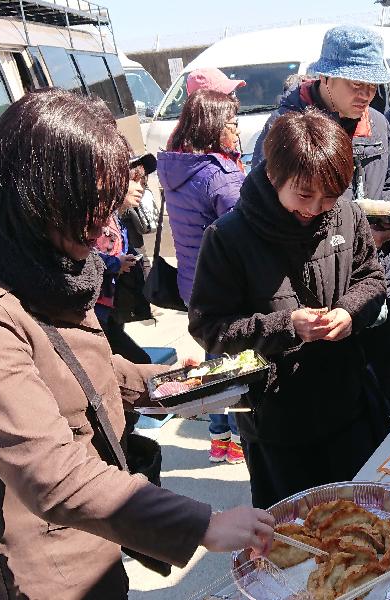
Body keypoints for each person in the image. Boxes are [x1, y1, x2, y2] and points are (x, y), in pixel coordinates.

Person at [0, 89, 273, 599]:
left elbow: (67, 365)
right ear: (36, 196)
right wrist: (203, 524)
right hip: (21, 567)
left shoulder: (39, 260)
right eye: (89, 211)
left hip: (90, 534)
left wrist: (168, 384)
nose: (103, 230)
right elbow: (51, 472)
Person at [189, 110, 388, 508]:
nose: (316, 207)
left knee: (364, 523)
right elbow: (209, 327)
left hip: (347, 408)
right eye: (304, 194)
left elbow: (373, 278)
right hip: (277, 425)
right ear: (274, 176)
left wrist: (349, 312)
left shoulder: (346, 214)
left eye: (329, 196)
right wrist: (286, 327)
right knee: (297, 540)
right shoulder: (228, 238)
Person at [254, 25, 390, 409]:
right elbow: (265, 209)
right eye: (357, 83)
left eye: (373, 86)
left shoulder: (380, 123)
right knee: (331, 402)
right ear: (326, 76)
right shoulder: (286, 128)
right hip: (317, 296)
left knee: (382, 389)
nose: (366, 95)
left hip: (376, 279)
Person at [157, 88, 246, 463]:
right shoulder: (219, 175)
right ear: (212, 127)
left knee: (213, 356)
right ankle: (239, 439)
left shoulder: (177, 165)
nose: (238, 131)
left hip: (192, 283)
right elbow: (247, 229)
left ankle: (217, 436)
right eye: (231, 124)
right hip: (225, 286)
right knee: (238, 364)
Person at [93, 154, 156, 364]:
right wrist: (114, 264)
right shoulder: (94, 216)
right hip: (94, 311)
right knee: (139, 364)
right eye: (134, 180)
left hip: (111, 309)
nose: (140, 188)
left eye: (143, 182)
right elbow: (82, 257)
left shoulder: (118, 216)